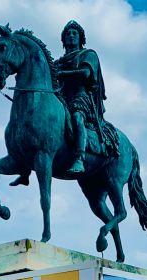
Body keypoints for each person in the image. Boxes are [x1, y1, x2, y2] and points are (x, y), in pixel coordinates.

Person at [54, 20, 112, 175]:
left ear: (81, 38)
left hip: (81, 96)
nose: (71, 36)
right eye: (68, 34)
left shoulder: (88, 54)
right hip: (62, 97)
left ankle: (79, 157)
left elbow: (86, 73)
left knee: (77, 117)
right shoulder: (58, 62)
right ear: (63, 39)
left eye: (74, 33)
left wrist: (61, 74)